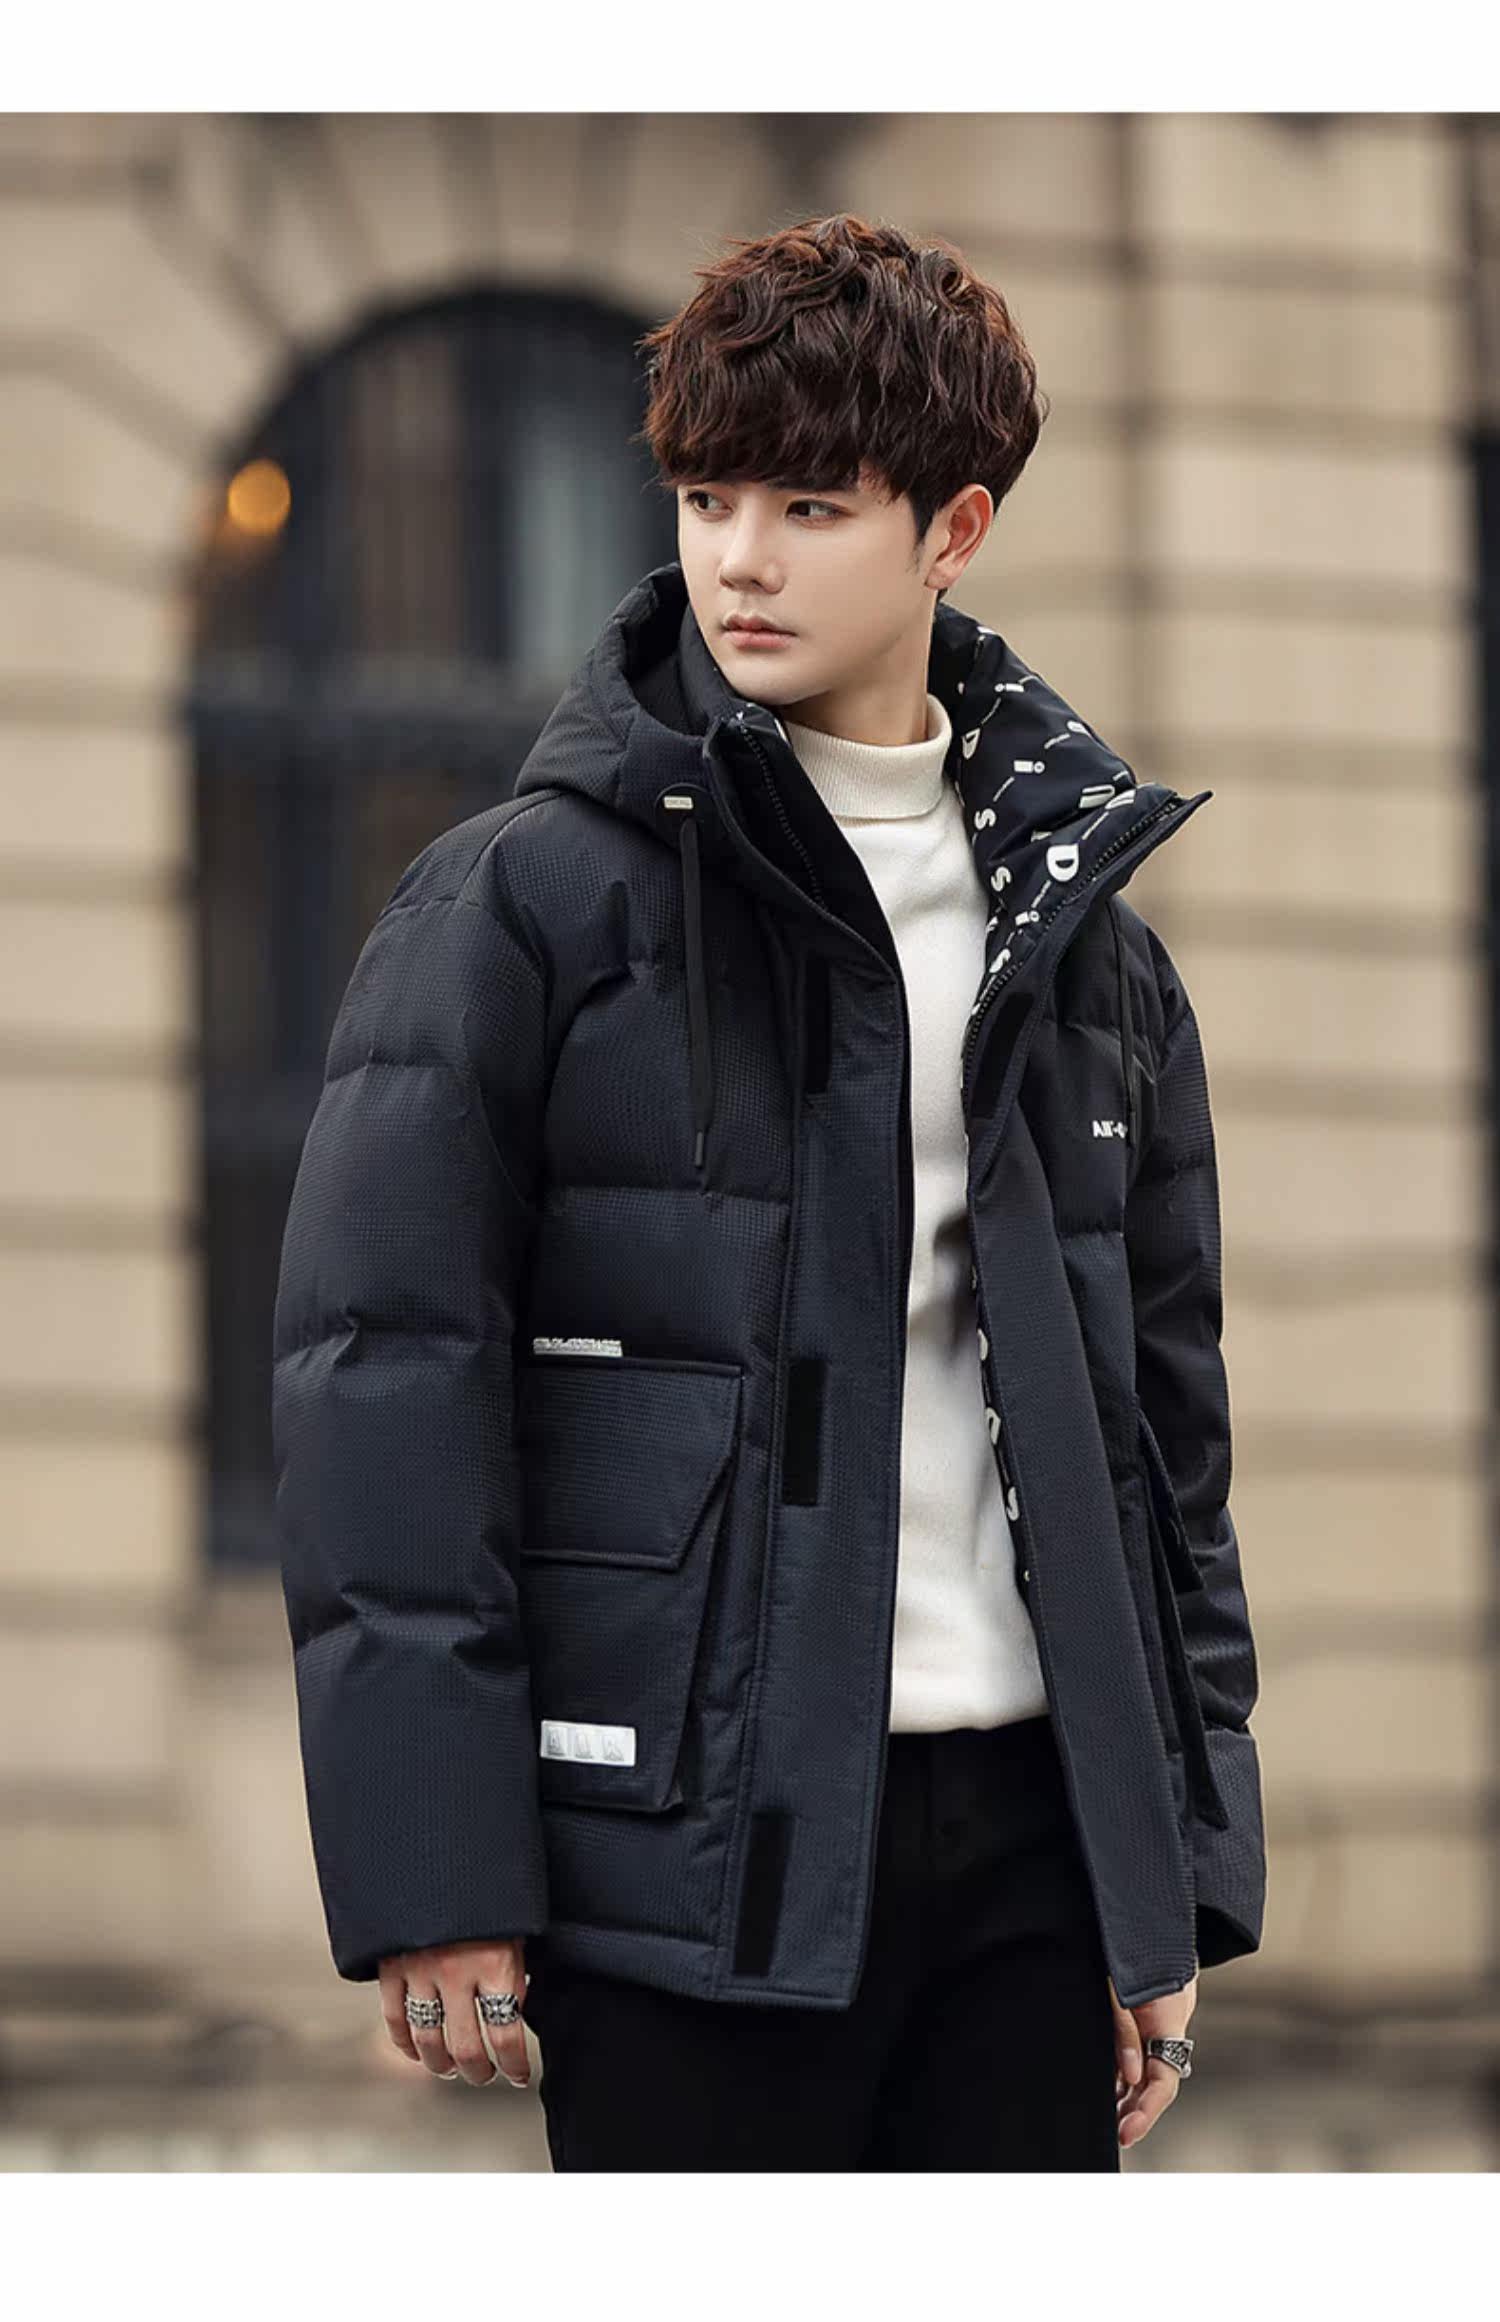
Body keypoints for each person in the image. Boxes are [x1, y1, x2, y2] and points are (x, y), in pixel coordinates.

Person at [273, 211, 1266, 2171]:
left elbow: (1164, 1441)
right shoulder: (521, 905)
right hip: (685, 1860)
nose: (738, 558)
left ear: (953, 529)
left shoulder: (1089, 953)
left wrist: (1170, 1871)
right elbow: (382, 1386)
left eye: (811, 506)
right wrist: (434, 1867)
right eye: (708, 497)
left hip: (1031, 1858)